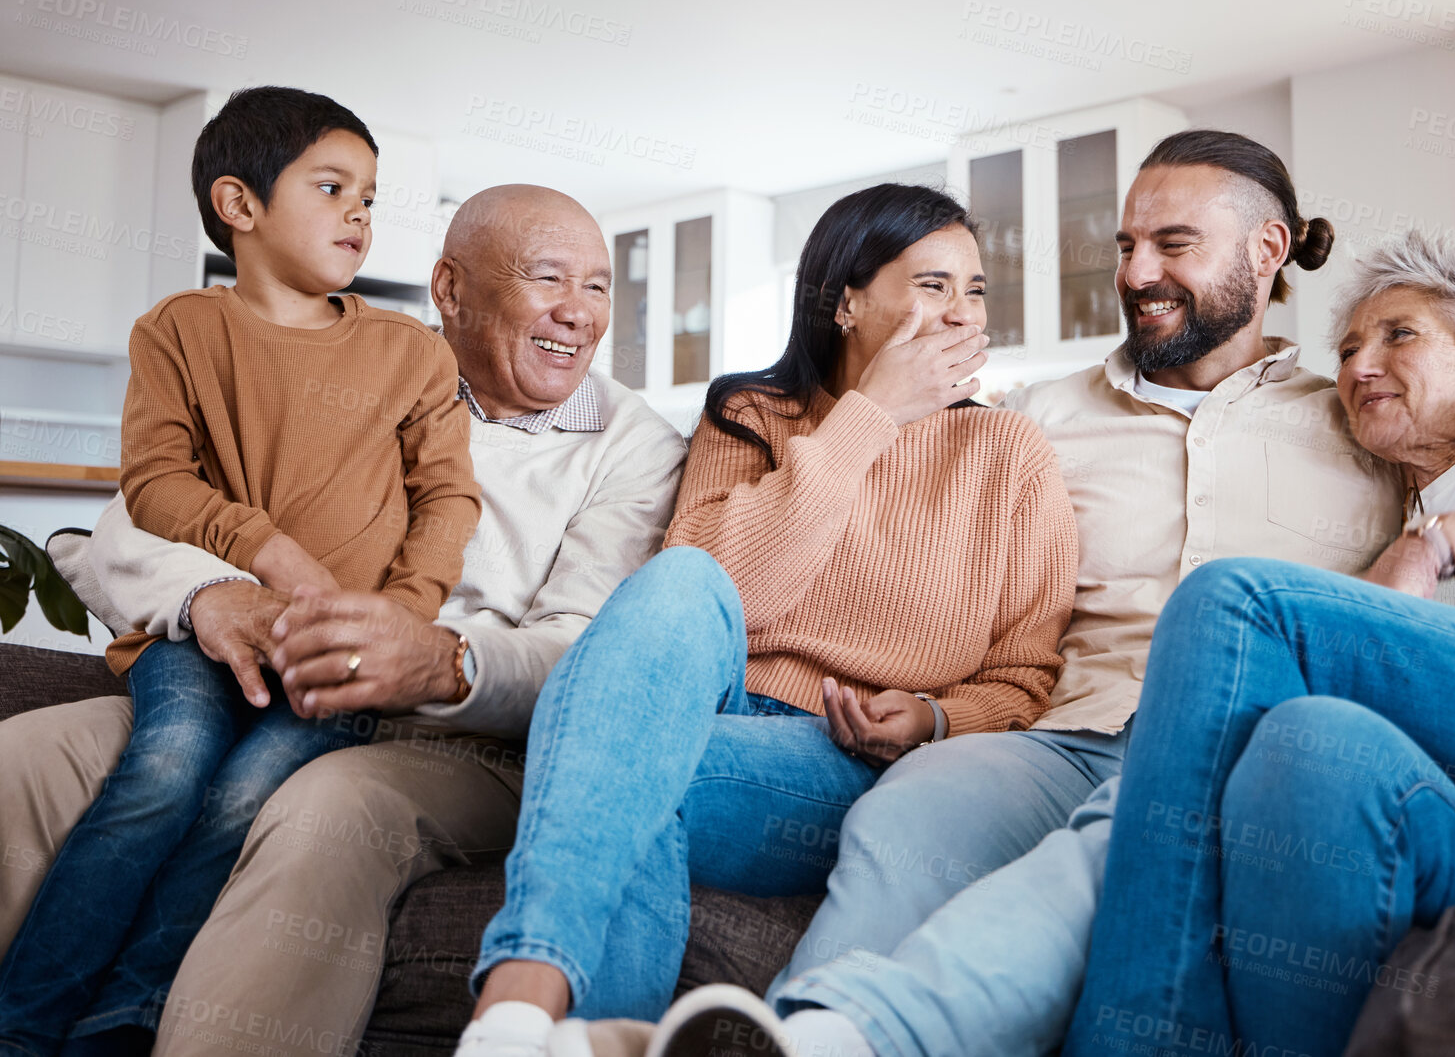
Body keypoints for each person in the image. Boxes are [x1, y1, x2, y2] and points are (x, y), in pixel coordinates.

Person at [637, 134, 1455, 1057]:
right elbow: (882, 513)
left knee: (1160, 786)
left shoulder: (1357, 416)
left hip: (1239, 743)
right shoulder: (1031, 417)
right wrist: (918, 704)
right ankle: (798, 1031)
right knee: (911, 813)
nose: (1135, 272)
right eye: (1125, 245)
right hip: (1056, 736)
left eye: (1173, 243)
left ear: (1265, 254)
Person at [0, 182, 687, 1057]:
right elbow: (135, 518)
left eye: (597, 286)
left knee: (327, 807)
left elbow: (585, 655)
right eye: (547, 278)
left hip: (460, 740)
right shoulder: (344, 364)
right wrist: (213, 597)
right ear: (450, 290)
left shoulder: (637, 448)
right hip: (264, 684)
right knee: (28, 760)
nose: (578, 313)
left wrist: (437, 662)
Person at [455, 182, 1080, 1055]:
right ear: (849, 301)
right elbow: (725, 591)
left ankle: (528, 1012)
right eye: (932, 284)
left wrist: (937, 718)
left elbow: (1024, 674)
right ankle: (541, 1020)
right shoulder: (749, 415)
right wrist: (870, 418)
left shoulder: (1008, 453)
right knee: (676, 583)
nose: (960, 312)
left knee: (636, 762)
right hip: (703, 699)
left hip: (836, 755)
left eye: (973, 290)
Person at [0, 86, 482, 1056]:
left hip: (339, 657)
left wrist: (391, 622)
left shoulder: (411, 354)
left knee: (245, 795)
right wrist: (268, 553)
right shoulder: (178, 330)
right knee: (165, 772)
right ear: (240, 204)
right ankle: (22, 1025)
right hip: (201, 631)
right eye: (335, 186)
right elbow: (155, 482)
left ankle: (123, 1020)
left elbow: (448, 500)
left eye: (372, 195)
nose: (361, 212)